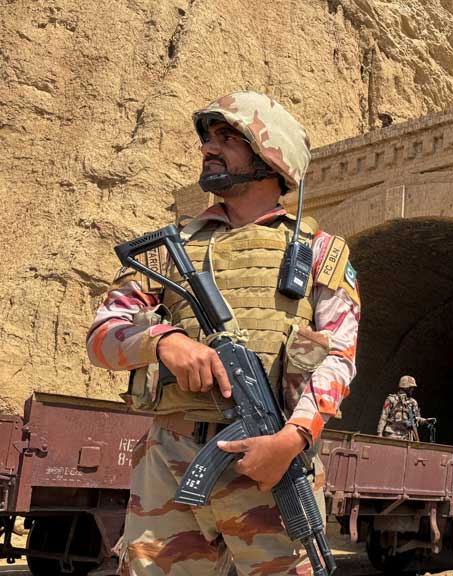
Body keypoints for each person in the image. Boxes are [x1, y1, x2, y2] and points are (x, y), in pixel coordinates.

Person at [86, 91, 360, 576]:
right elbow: (103, 334)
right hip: (168, 464)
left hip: (272, 463)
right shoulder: (169, 253)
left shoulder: (320, 254)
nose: (208, 149)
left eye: (228, 137)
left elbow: (339, 357)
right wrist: (165, 341)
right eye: (208, 138)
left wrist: (292, 440)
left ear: (270, 155)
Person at [377, 375, 434, 440]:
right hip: (391, 435)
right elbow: (383, 417)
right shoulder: (391, 400)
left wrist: (426, 421)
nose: (413, 390)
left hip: (406, 437)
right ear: (406, 387)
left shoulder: (413, 402)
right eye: (411, 388)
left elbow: (416, 419)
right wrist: (379, 434)